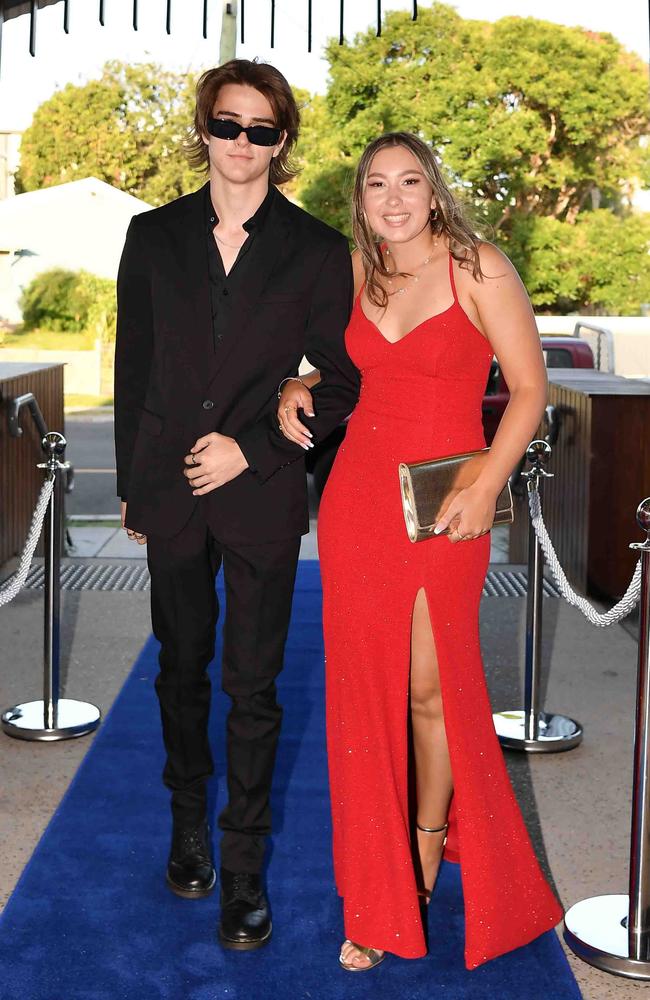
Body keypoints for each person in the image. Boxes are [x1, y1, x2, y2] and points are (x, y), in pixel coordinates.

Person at [277, 132, 563, 972]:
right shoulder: (358, 276)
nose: (393, 198)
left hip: (447, 504)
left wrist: (488, 484)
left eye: (409, 182)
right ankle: (377, 894)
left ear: (434, 191)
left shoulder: (479, 267)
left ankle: (425, 848)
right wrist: (299, 384)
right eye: (376, 185)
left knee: (434, 691)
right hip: (359, 501)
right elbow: (337, 372)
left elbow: (531, 386)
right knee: (367, 694)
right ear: (360, 200)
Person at [114, 59, 359, 951]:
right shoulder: (151, 236)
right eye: (228, 124)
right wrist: (137, 490)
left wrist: (252, 447)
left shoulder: (316, 250)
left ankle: (243, 863)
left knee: (253, 689)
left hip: (258, 494)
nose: (242, 143)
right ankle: (188, 824)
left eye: (261, 129)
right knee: (181, 673)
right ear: (205, 130)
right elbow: (134, 369)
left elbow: (339, 381)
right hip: (171, 493)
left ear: (281, 141)